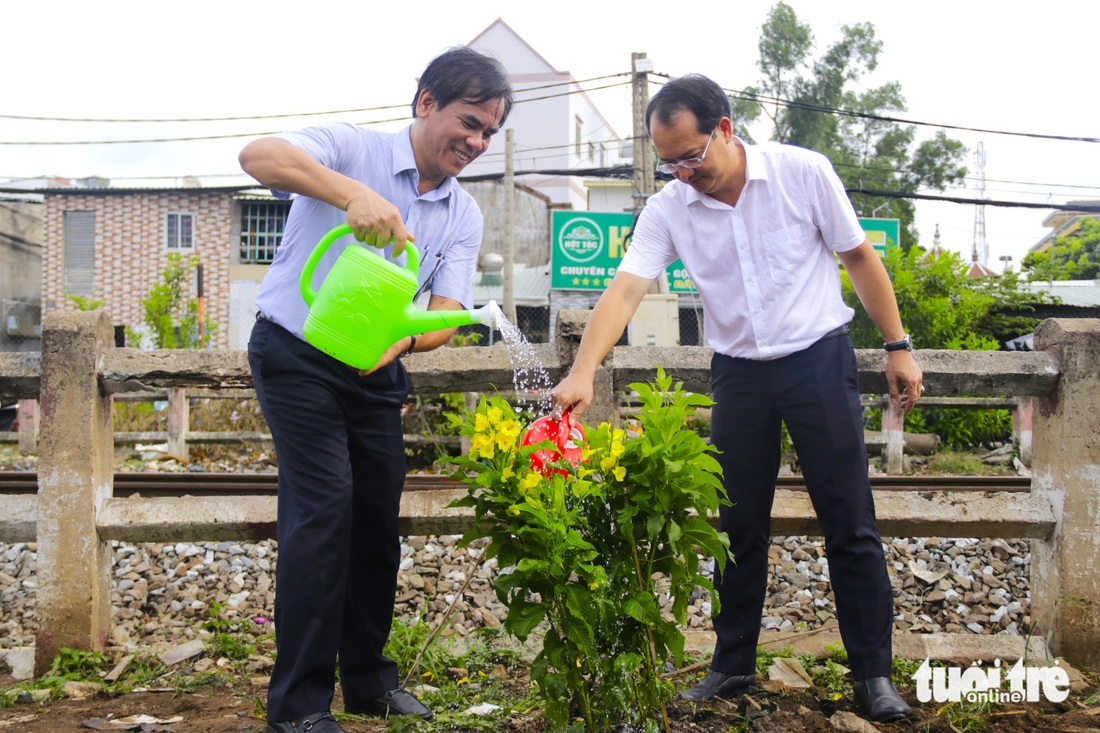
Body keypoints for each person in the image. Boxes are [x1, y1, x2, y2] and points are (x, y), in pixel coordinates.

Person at [551, 74, 922, 724]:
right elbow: (626, 290)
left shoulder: (802, 173)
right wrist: (585, 369)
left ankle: (873, 673)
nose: (683, 171)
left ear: (725, 128)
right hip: (740, 375)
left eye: (692, 155)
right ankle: (732, 662)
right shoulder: (669, 207)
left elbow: (859, 257)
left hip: (816, 361)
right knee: (736, 524)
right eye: (669, 160)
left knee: (850, 521)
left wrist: (898, 343)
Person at [239, 47, 512, 733]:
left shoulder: (462, 213)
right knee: (323, 510)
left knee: (374, 524)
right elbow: (257, 156)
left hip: (376, 364)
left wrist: (404, 342)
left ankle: (367, 681)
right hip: (298, 352)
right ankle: (298, 706)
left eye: (489, 134)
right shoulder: (349, 148)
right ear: (425, 102)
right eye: (469, 122)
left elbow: (445, 309)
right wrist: (349, 193)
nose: (476, 143)